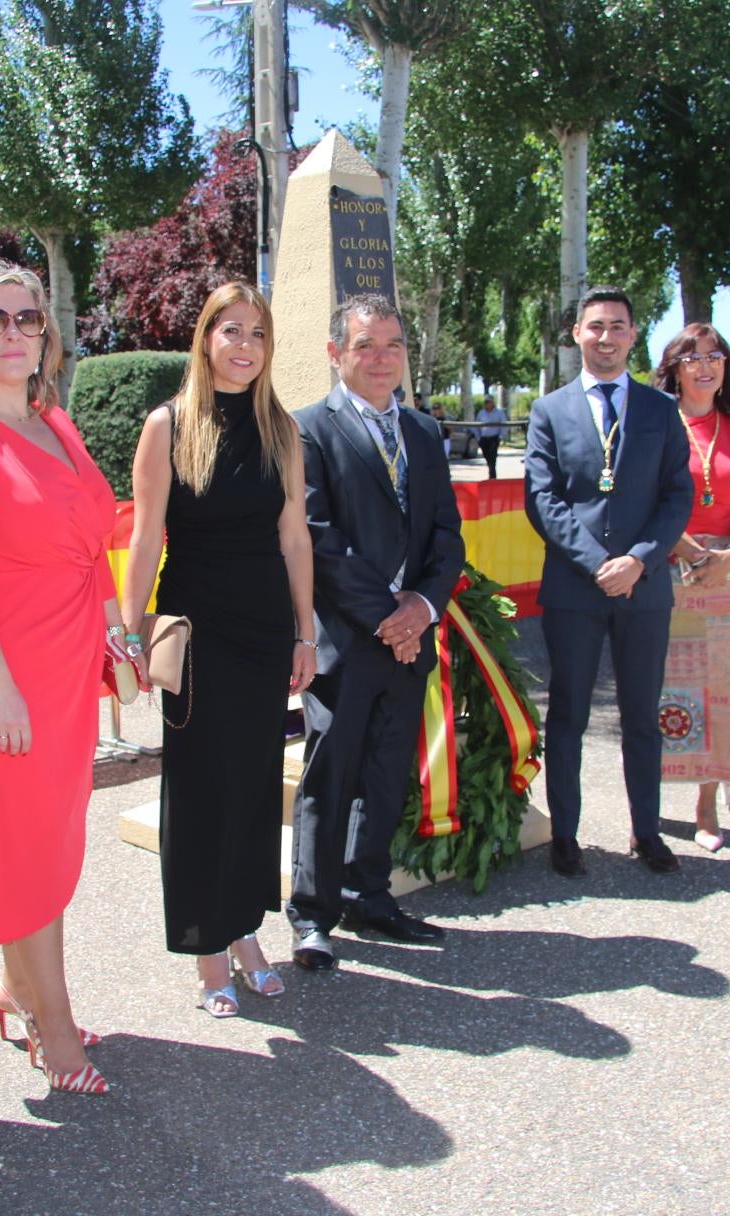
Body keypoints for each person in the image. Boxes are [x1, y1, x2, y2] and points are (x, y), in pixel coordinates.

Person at [0, 261, 117, 1094]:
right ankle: (55, 1022)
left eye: (27, 319)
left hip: (69, 665)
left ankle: (17, 989)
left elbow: (93, 541)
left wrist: (117, 635)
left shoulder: (57, 421)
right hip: (3, 677)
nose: (13, 333)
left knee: (43, 840)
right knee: (23, 850)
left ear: (47, 332)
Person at [119, 282, 317, 1017]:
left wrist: (305, 631)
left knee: (256, 787)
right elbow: (144, 539)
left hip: (266, 630)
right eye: (230, 330)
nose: (244, 345)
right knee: (202, 792)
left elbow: (294, 537)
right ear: (205, 339)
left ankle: (244, 932)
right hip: (196, 633)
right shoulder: (167, 425)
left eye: (257, 334)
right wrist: (129, 633)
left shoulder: (284, 430)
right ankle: (207, 948)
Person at [288, 293, 465, 971]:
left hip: (410, 636)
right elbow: (318, 538)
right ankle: (313, 913)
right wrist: (388, 618)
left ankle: (371, 894)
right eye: (366, 346)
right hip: (345, 638)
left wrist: (422, 606)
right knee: (331, 778)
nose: (381, 359)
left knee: (388, 772)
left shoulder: (423, 432)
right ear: (336, 353)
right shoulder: (308, 429)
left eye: (393, 345)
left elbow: (446, 533)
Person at [524, 286, 693, 878]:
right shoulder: (549, 411)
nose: (605, 337)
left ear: (632, 335)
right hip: (576, 588)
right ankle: (566, 834)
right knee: (567, 712)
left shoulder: (660, 410)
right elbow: (543, 501)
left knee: (642, 714)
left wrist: (640, 560)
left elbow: (678, 495)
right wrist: (600, 563)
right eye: (595, 326)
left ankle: (647, 831)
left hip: (644, 589)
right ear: (577, 334)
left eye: (617, 327)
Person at [657, 324, 730, 852]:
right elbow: (645, 501)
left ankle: (706, 806)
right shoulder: (655, 421)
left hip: (726, 572)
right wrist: (693, 553)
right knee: (665, 688)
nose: (705, 366)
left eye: (715, 356)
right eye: (692, 357)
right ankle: (645, 806)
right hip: (671, 565)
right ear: (674, 367)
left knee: (721, 693)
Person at [476, 396, 510, 478]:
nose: (487, 404)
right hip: (483, 439)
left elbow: (504, 425)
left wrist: (500, 437)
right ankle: (491, 471)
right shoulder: (481, 413)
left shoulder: (499, 413)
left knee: (492, 457)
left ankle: (492, 477)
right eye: (485, 402)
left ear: (492, 402)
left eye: (488, 402)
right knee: (487, 457)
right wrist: (478, 438)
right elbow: (476, 426)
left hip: (494, 439)